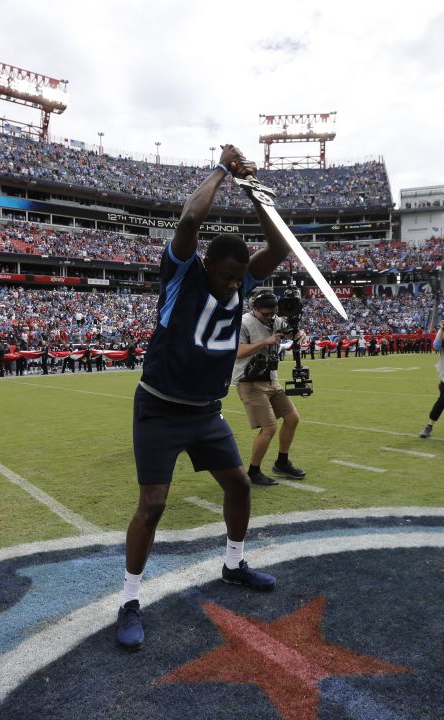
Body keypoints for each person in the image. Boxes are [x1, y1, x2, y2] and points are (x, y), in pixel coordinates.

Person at [117, 144, 290, 651]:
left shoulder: (241, 282)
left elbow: (278, 248)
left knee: (239, 486)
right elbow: (192, 215)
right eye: (227, 275)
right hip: (160, 407)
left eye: (240, 277)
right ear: (206, 263)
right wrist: (222, 169)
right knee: (152, 505)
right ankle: (129, 599)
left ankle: (234, 564)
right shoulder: (181, 276)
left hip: (206, 413)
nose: (234, 284)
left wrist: (254, 190)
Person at [231, 290, 308, 486]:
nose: (269, 317)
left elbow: (289, 332)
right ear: (254, 308)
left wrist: (298, 334)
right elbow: (239, 352)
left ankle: (282, 462)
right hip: (249, 380)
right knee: (269, 427)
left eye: (272, 313)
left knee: (292, 418)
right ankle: (253, 472)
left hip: (271, 379)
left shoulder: (274, 320)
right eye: (265, 314)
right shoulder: (243, 322)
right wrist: (265, 341)